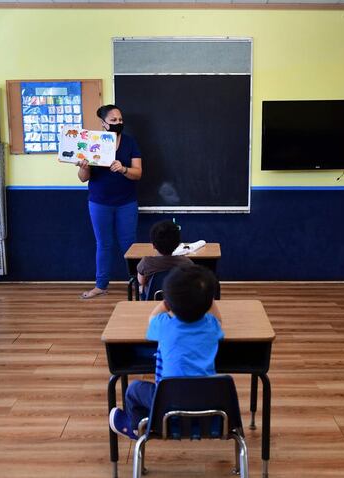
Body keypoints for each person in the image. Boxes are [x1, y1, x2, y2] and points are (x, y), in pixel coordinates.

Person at [109, 265, 223, 439]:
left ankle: (137, 427)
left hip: (166, 404)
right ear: (208, 303)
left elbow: (151, 318)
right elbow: (218, 319)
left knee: (134, 389)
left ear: (169, 302)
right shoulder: (211, 326)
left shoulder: (164, 325)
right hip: (206, 405)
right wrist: (206, 299)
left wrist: (166, 302)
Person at [77, 104, 143, 299]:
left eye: (120, 120)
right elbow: (82, 177)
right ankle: (101, 285)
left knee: (129, 244)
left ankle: (138, 284)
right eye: (113, 120)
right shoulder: (91, 142)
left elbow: (138, 173)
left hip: (126, 202)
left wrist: (123, 169)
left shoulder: (130, 143)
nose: (118, 123)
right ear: (103, 123)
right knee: (103, 244)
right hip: (99, 202)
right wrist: (84, 166)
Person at [136, 220, 193, 296]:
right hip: (178, 302)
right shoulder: (187, 263)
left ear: (153, 245)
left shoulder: (146, 263)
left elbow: (141, 281)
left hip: (152, 301)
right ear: (177, 245)